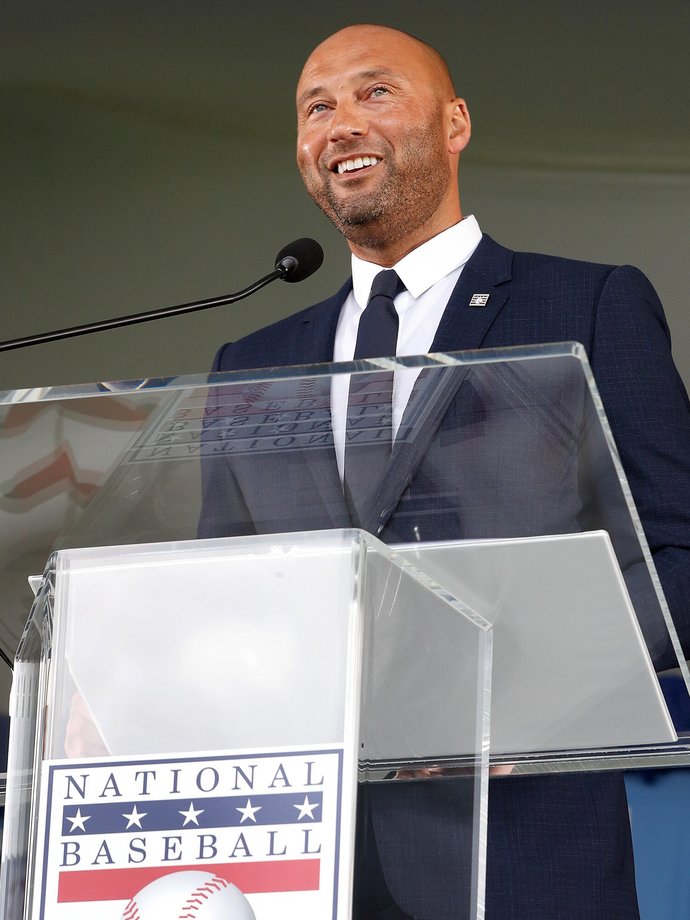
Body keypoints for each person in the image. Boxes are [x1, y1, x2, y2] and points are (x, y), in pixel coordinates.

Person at [198, 23, 690, 920]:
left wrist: (541, 704)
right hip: (304, 854)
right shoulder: (251, 359)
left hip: (525, 840)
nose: (339, 122)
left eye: (374, 93)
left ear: (455, 124)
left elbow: (673, 549)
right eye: (317, 107)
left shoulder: (585, 302)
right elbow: (222, 591)